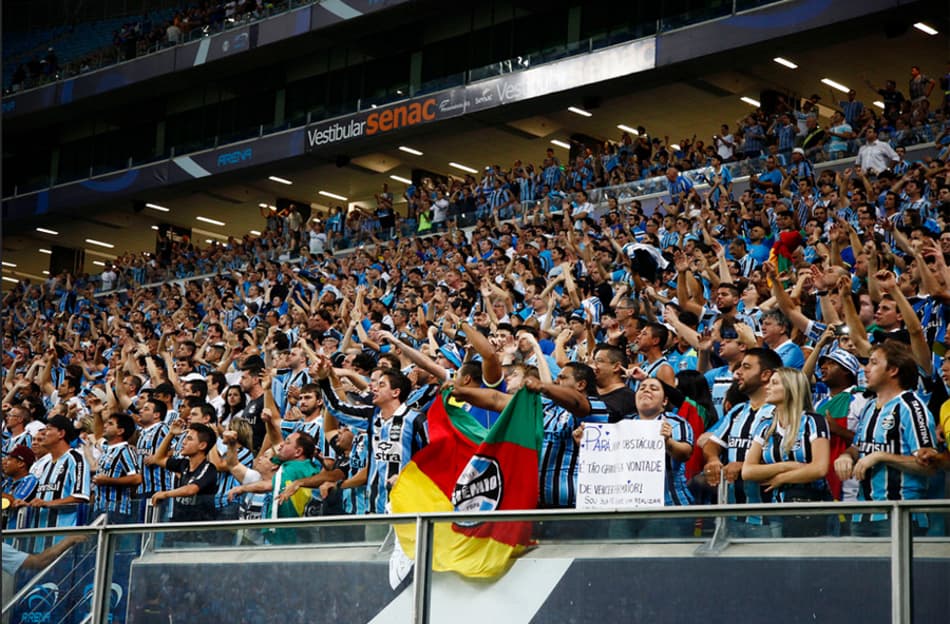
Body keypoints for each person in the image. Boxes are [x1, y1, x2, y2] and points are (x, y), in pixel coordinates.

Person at [834, 342, 937, 536]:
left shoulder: (911, 407)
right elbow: (858, 446)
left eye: (873, 363)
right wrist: (846, 456)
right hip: (862, 514)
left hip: (900, 513)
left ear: (892, 370)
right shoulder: (870, 406)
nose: (865, 369)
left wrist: (882, 456)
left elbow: (930, 465)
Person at [703, 348, 783, 537]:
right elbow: (712, 442)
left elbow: (789, 457)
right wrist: (713, 459)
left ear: (766, 375)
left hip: (768, 517)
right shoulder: (738, 410)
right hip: (730, 515)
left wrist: (746, 466)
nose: (738, 373)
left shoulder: (781, 412)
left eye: (746, 367)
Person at [742, 368, 831, 536]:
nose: (767, 387)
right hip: (774, 510)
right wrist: (787, 466)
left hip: (810, 509)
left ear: (791, 388)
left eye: (774, 383)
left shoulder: (814, 422)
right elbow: (748, 471)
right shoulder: (765, 426)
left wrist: (781, 478)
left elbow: (819, 468)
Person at [29, 415, 91, 548]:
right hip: (39, 540)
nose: (43, 433)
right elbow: (42, 497)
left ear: (61, 434)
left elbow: (81, 497)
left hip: (62, 541)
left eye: (48, 429)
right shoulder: (46, 464)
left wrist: (48, 503)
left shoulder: (75, 459)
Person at [149, 419, 219, 535]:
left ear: (202, 445)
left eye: (189, 439)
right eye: (185, 437)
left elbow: (191, 489)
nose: (184, 442)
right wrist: (171, 434)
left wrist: (166, 494)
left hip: (199, 534)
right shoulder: (183, 464)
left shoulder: (209, 468)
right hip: (179, 528)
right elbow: (158, 459)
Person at [91, 413, 142, 525]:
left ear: (120, 431)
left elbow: (137, 478)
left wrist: (108, 481)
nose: (105, 426)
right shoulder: (107, 449)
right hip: (99, 508)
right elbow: (98, 436)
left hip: (117, 511)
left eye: (110, 424)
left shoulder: (125, 451)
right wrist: (97, 413)